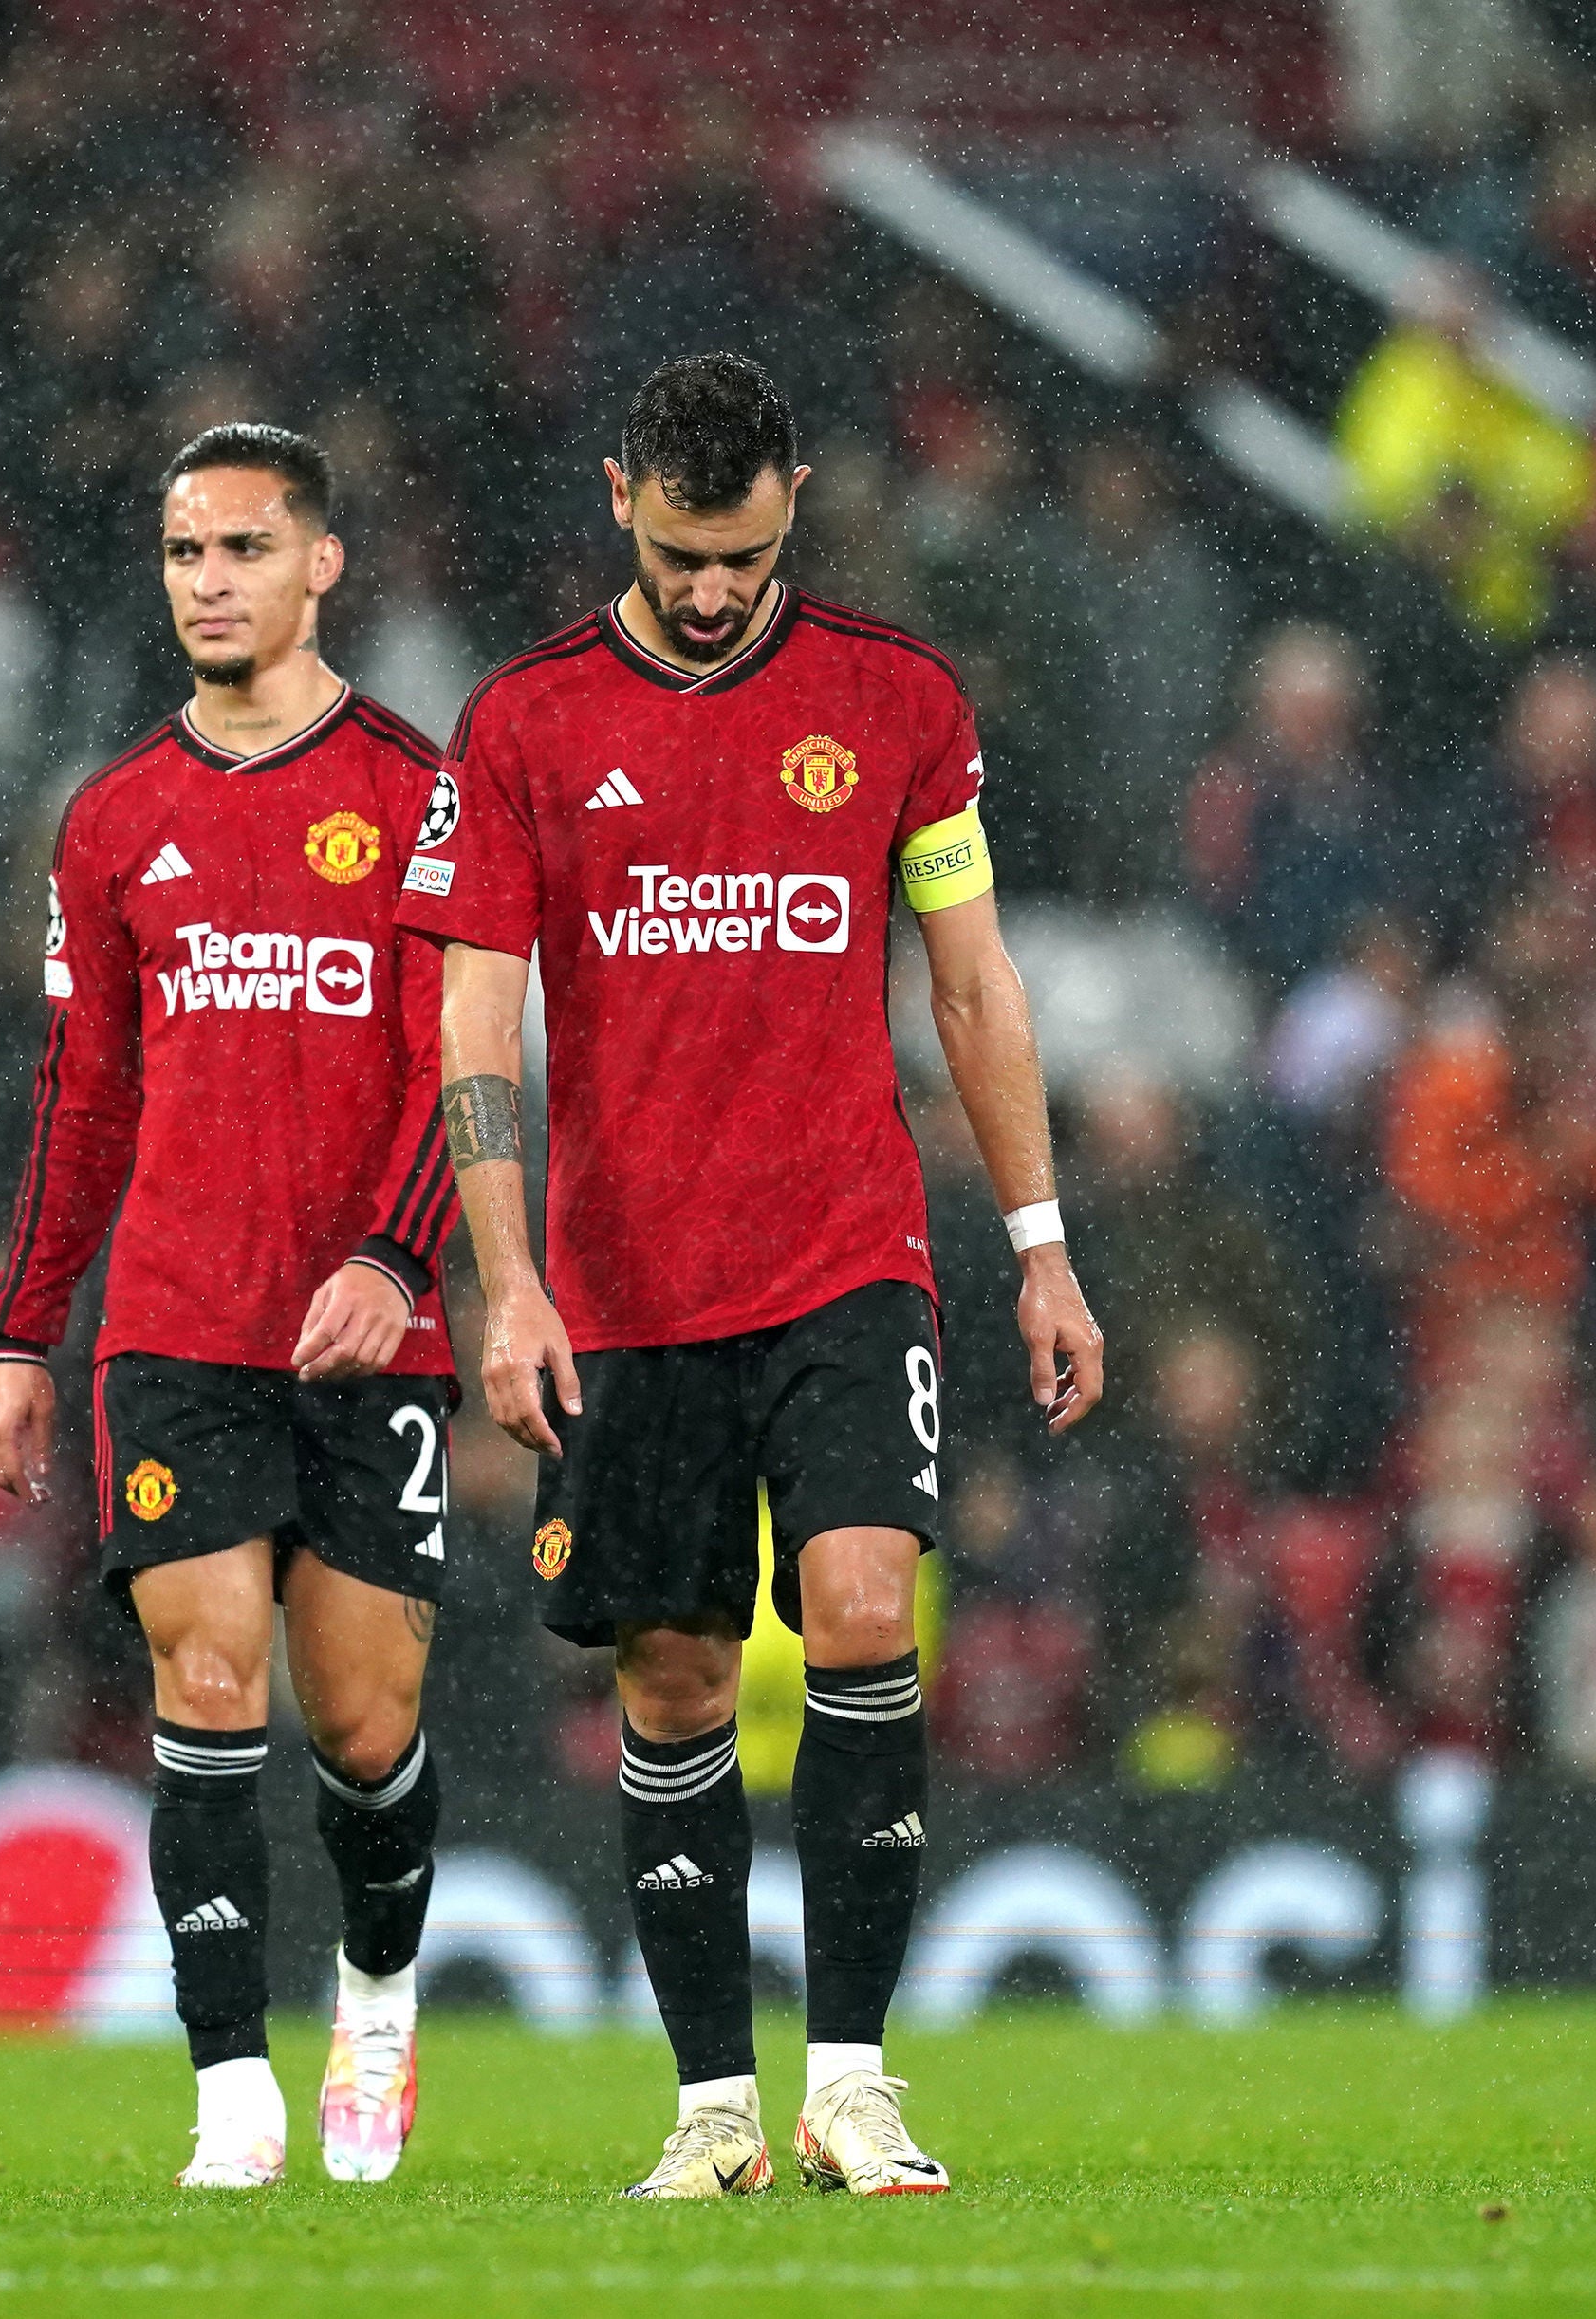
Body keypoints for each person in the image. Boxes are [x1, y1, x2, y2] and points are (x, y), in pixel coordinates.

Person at [398, 353, 1102, 2198]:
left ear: (796, 493)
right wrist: (507, 1280)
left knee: (865, 1607)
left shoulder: (894, 701)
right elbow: (474, 1014)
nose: (710, 589)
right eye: (679, 549)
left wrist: (1039, 1249)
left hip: (843, 1258)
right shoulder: (526, 723)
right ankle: (713, 2106)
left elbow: (971, 983)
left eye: (743, 549)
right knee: (679, 1677)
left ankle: (852, 2084)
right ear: (621, 492)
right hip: (625, 1291)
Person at [0, 424, 457, 2191]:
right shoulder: (112, 822)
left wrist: (396, 1257)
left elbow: (455, 1067)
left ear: (320, 563)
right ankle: (229, 2097)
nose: (212, 582)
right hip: (175, 1325)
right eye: (185, 553)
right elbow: (80, 1097)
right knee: (205, 1677)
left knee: (363, 1726)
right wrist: (24, 1328)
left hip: (371, 1334)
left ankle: (380, 2001)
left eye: (245, 549)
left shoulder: (420, 794)